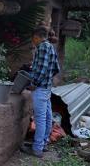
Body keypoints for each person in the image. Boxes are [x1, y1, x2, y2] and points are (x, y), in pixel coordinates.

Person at [21, 26, 60, 158]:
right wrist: (47, 80)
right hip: (47, 87)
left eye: (33, 39)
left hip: (41, 88)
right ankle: (42, 144)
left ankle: (37, 148)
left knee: (40, 119)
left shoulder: (43, 47)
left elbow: (42, 70)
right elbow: (56, 68)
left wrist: (34, 84)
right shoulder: (51, 47)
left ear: (37, 37)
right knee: (48, 117)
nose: (33, 42)